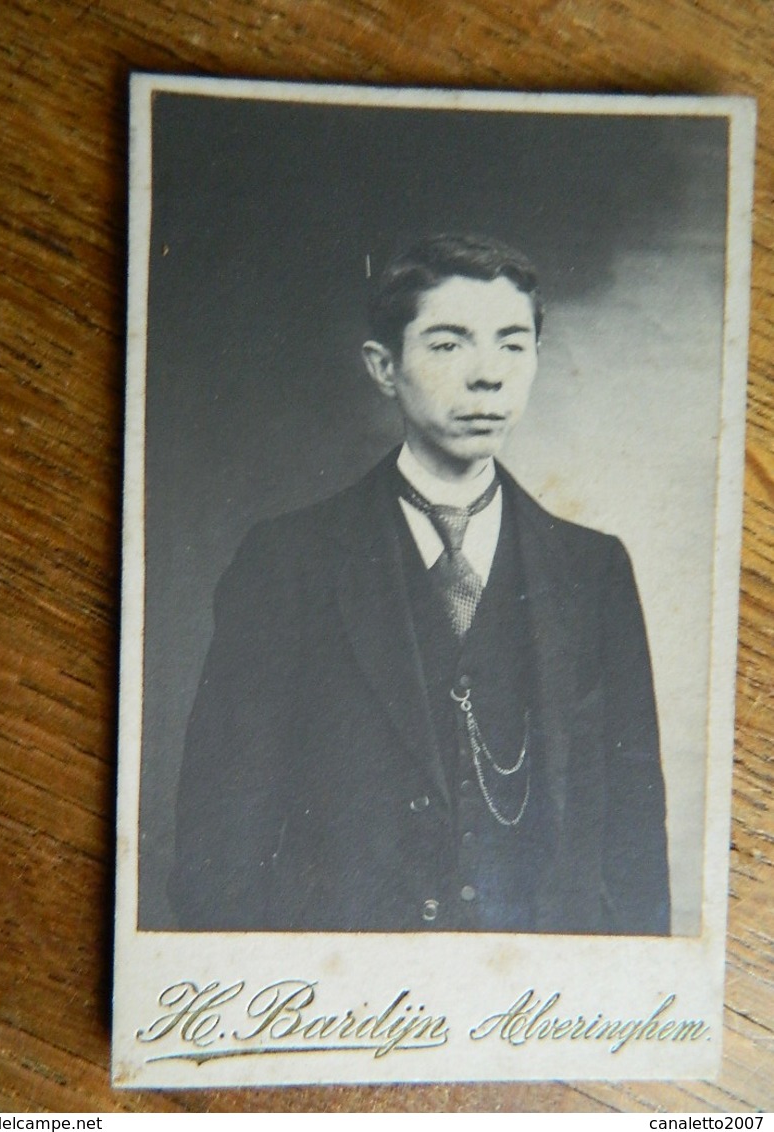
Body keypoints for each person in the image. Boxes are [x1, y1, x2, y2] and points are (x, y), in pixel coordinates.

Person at [169, 233, 670, 935]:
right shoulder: (288, 561)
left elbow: (634, 840)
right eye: (447, 344)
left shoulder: (593, 571)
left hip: (534, 1002)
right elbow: (218, 847)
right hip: (345, 999)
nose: (487, 375)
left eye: (512, 343)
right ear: (383, 366)